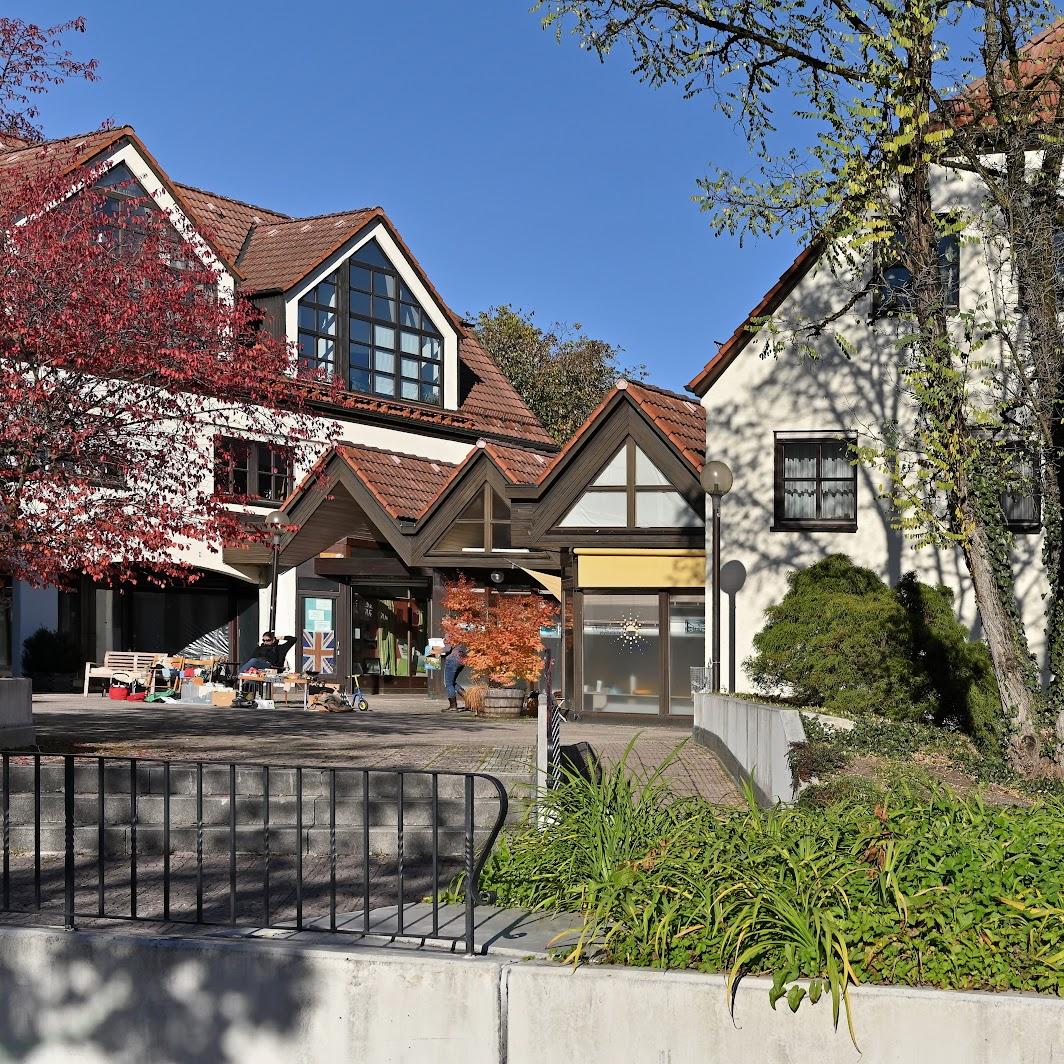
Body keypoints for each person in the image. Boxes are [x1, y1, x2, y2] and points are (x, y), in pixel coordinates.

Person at [442, 640, 467, 712]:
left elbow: (447, 649)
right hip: (461, 661)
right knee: (452, 682)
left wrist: (434, 650)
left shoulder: (450, 633)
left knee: (448, 684)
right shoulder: (462, 632)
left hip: (452, 660)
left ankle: (453, 706)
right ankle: (469, 700)